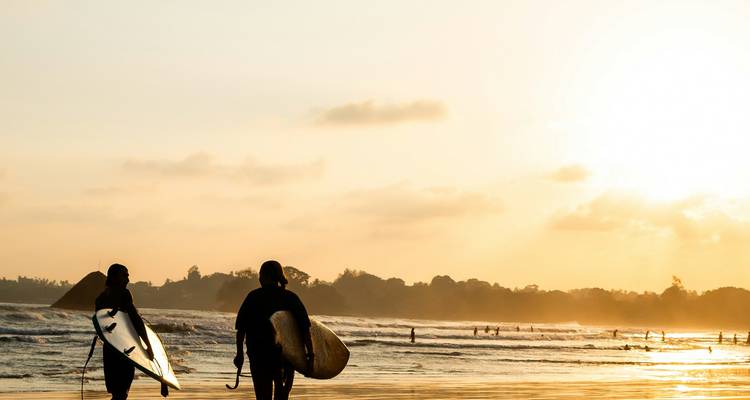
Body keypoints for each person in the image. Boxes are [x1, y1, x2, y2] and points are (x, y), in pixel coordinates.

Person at [234, 260, 313, 400]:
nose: (259, 278)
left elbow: (241, 329)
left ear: (264, 276)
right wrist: (310, 355)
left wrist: (239, 354)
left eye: (260, 274)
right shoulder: (290, 297)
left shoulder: (253, 297)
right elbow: (304, 328)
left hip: (259, 355)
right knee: (282, 397)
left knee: (262, 397)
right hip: (285, 357)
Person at [95, 264, 155, 400]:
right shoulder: (124, 294)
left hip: (110, 350)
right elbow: (136, 321)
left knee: (117, 393)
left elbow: (102, 327)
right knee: (122, 393)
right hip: (125, 349)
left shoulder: (100, 298)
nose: (128, 279)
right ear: (114, 277)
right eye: (125, 276)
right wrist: (148, 346)